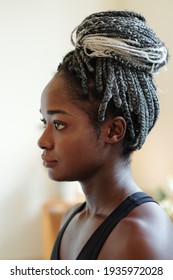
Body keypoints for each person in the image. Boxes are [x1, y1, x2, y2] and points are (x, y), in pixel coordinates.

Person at [38, 10, 173, 260]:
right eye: (43, 122)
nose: (43, 141)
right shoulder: (72, 218)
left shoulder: (140, 236)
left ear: (113, 130)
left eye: (58, 124)